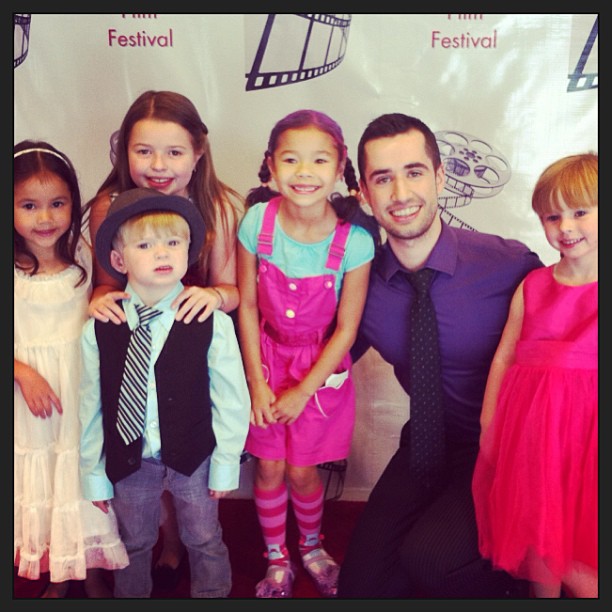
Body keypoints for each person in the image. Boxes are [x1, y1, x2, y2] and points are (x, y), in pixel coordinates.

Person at [336, 113, 544, 598]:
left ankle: (511, 576)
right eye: (382, 179)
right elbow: (320, 350)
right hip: (426, 443)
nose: (400, 194)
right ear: (364, 194)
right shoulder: (360, 282)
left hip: (498, 448)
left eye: (413, 172)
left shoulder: (507, 263)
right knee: (361, 587)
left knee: (431, 562)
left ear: (440, 178)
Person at [84, 90, 245, 586]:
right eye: (143, 151)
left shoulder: (216, 207)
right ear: (122, 152)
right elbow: (106, 285)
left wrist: (214, 298)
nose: (158, 165)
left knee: (198, 512)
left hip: (190, 336)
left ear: (197, 153)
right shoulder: (108, 206)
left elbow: (234, 289)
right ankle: (160, 549)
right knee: (139, 515)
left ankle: (186, 556)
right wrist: (98, 305)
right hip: (133, 339)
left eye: (174, 152)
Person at [237, 109, 379, 598]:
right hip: (266, 360)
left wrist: (303, 390)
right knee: (270, 466)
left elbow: (346, 330)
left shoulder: (355, 242)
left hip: (318, 372)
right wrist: (257, 382)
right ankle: (277, 556)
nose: (304, 172)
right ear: (271, 166)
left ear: (340, 168)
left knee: (302, 470)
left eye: (319, 160)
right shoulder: (257, 221)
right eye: (291, 159)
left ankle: (313, 546)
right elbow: (249, 307)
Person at [472, 153, 598, 598]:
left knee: (585, 552)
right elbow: (505, 355)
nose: (566, 226)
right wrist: (490, 423)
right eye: (552, 216)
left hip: (589, 444)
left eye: (580, 211)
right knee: (539, 535)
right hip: (533, 440)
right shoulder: (534, 285)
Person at [14, 141, 129, 598]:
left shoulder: (83, 256)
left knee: (83, 476)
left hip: (80, 394)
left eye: (57, 204)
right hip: (31, 403)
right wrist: (22, 371)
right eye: (28, 205)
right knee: (44, 480)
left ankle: (94, 571)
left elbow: (103, 305)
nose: (45, 218)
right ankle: (55, 575)